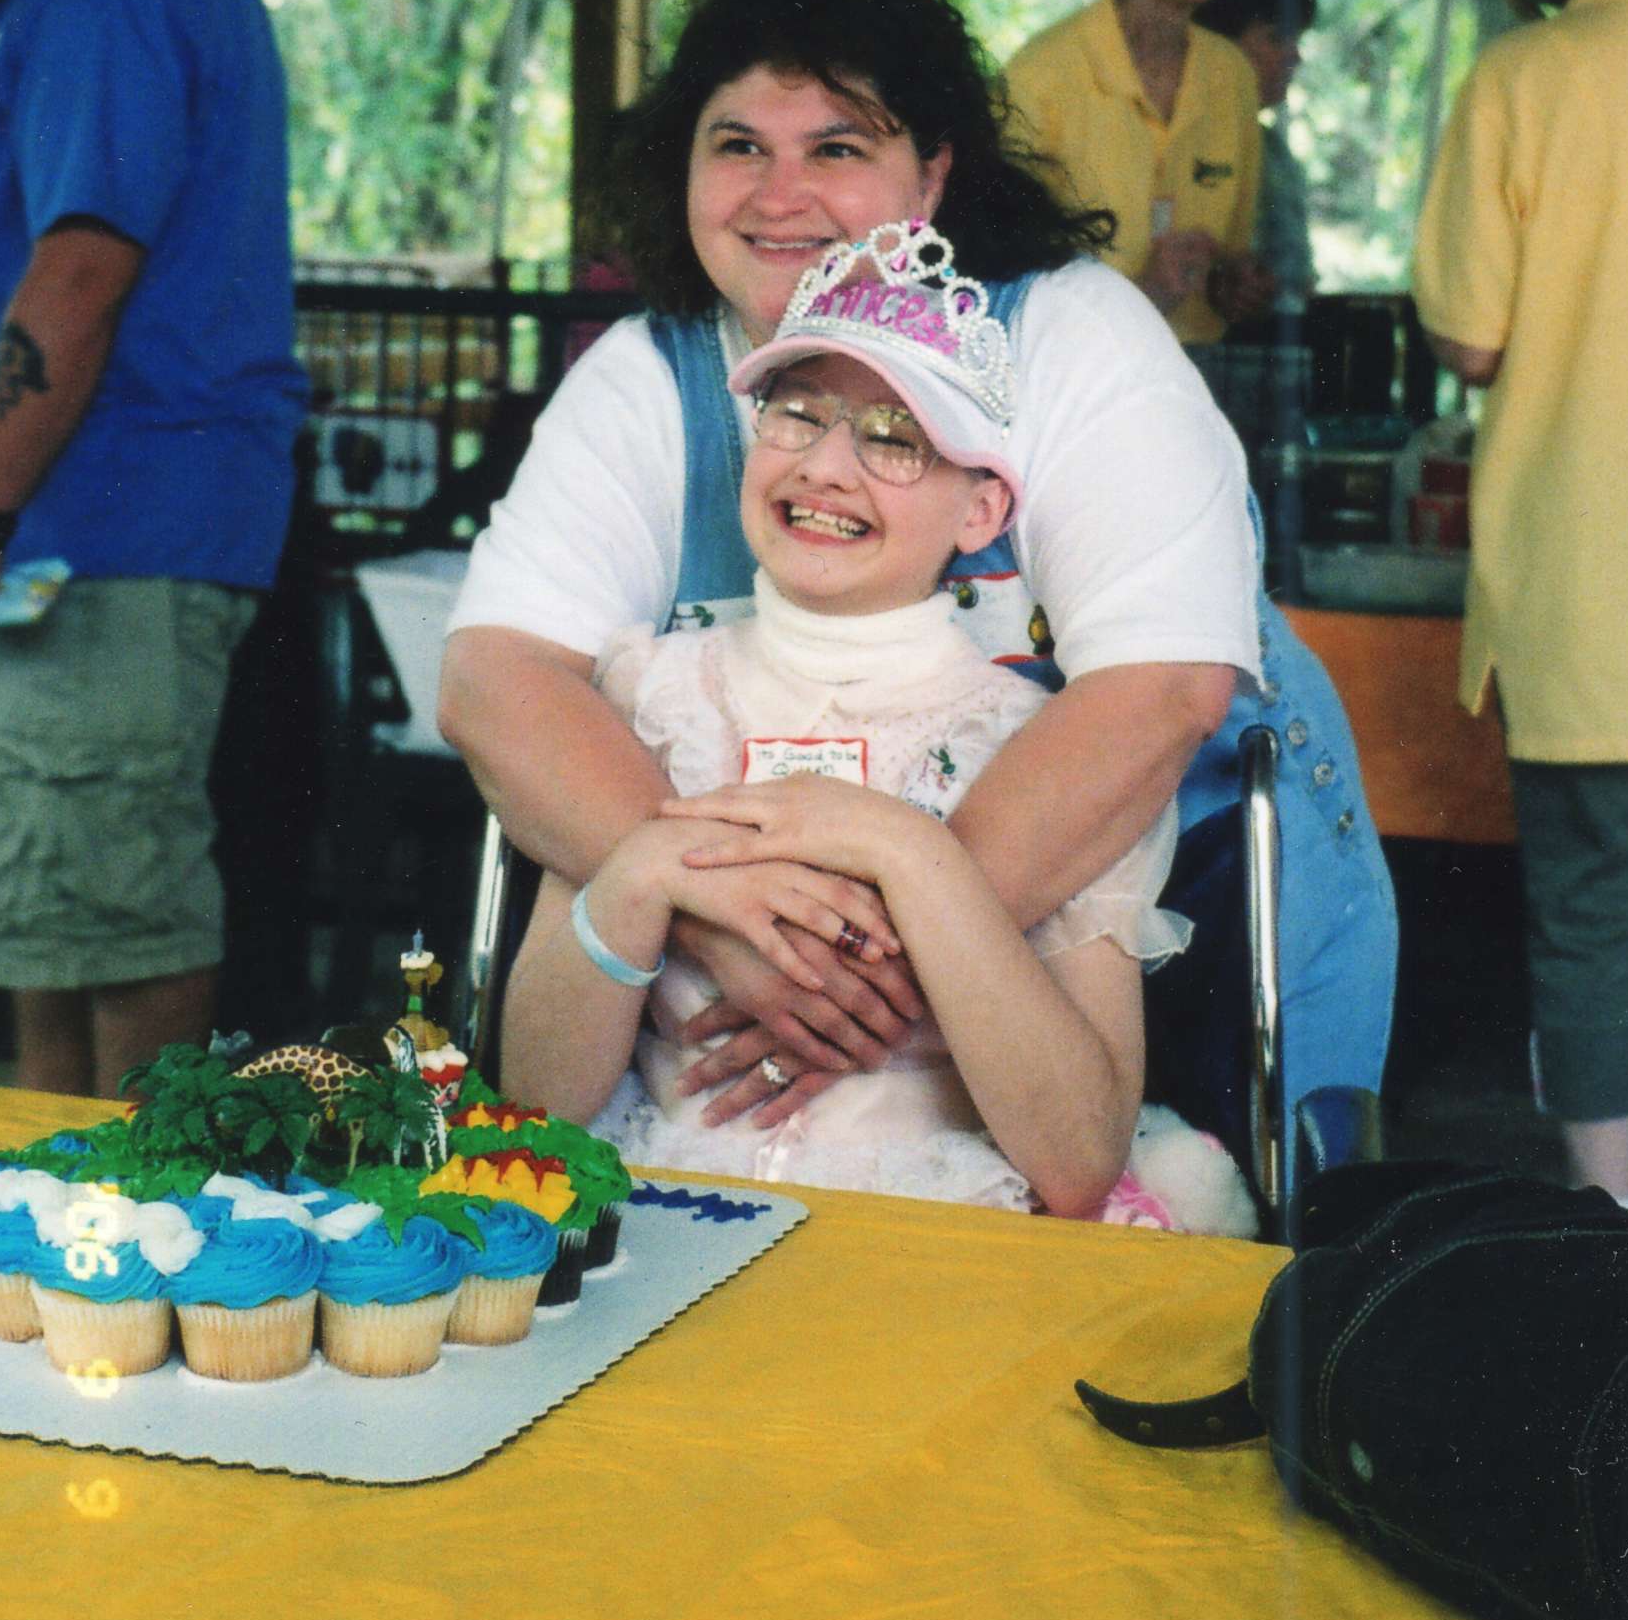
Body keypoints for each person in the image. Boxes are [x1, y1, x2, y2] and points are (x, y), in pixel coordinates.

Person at [441, 0, 1395, 1155]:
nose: (778, 194)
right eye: (738, 145)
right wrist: (731, 923)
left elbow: (1161, 695)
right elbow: (495, 679)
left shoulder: (1072, 336)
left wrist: (867, 971)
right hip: (774, 994)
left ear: (933, 174)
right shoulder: (650, 372)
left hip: (1179, 922)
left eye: (837, 147)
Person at [507, 219, 1255, 1232]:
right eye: (796, 415)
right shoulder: (647, 699)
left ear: (982, 509)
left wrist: (905, 849)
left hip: (936, 1246)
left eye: (896, 439)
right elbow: (537, 1108)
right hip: (662, 1223)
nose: (825, 467)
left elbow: (1079, 1162)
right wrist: (643, 873)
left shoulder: (1035, 750)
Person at [0, 0, 305, 1099]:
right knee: (56, 912)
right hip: (100, 521)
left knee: (112, 905)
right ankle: (58, 1239)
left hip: (103, 521)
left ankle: (133, 1238)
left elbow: (82, 270)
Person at [1413, 0, 1628, 1211]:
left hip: (1588, 580)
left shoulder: (1526, 76)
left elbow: (1467, 336)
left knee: (1595, 914)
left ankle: (1615, 1221)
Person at [1003, 0, 1267, 345]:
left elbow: (1232, 257)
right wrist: (1143, 292)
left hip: (1195, 382)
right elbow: (999, 288)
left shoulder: (1232, 77)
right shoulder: (1042, 76)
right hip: (1072, 384)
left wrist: (1233, 286)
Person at [1194, 0, 1319, 312]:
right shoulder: (1184, 144)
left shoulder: (1273, 150)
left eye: (1297, 39)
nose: (1294, 56)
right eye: (1276, 38)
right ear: (1219, 43)